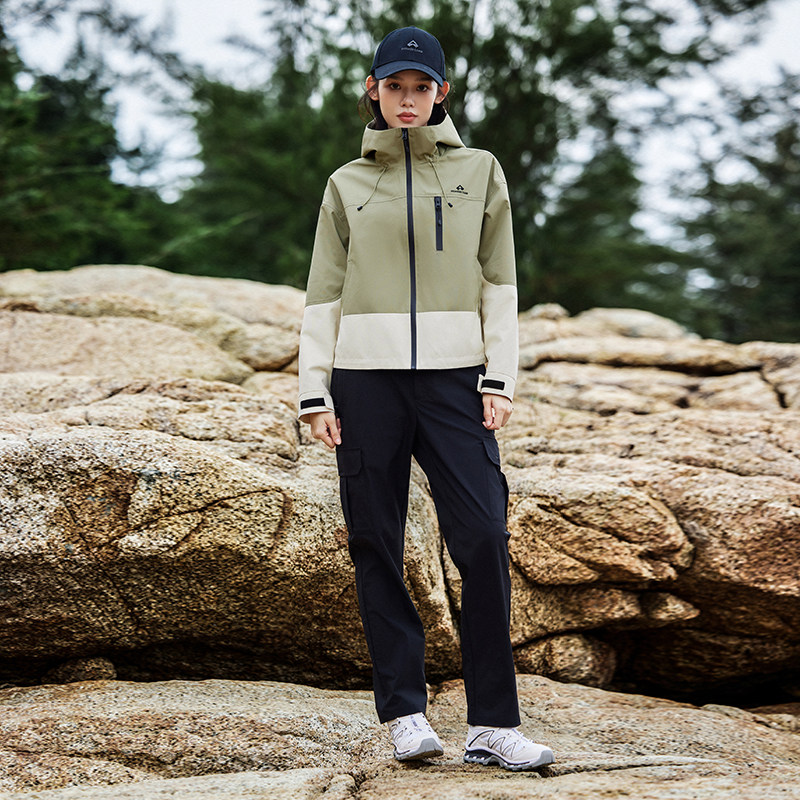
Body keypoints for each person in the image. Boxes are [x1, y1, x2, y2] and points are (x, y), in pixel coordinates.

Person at [297, 25, 554, 772]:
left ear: (442, 93)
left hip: (454, 382)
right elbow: (323, 292)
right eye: (394, 87)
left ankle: (493, 725)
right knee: (376, 542)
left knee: (483, 538)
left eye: (420, 87)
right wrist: (314, 390)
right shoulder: (346, 184)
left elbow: (500, 282)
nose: (406, 99)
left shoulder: (480, 171)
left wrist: (500, 378)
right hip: (365, 382)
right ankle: (406, 714)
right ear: (372, 92)